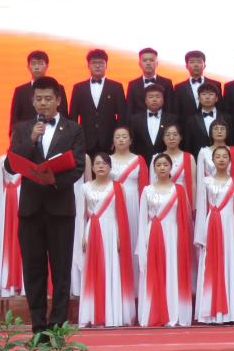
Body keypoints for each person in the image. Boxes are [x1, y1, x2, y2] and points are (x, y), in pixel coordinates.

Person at [6, 76, 86, 334]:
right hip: (31, 209)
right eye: (38, 99)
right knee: (33, 269)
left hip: (60, 207)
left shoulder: (73, 129)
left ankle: (58, 326)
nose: (43, 103)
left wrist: (54, 180)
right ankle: (38, 327)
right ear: (32, 101)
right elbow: (10, 164)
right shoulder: (22, 129)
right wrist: (30, 139)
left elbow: (78, 166)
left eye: (48, 98)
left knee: (61, 269)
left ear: (58, 100)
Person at [75, 152, 136, 327]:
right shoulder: (85, 188)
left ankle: (112, 314)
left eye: (104, 163)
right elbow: (81, 216)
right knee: (93, 271)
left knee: (111, 269)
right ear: (93, 168)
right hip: (92, 231)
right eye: (97, 163)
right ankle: (92, 314)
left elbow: (121, 215)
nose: (101, 166)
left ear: (110, 167)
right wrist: (82, 236)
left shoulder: (118, 187)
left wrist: (120, 236)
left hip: (111, 231)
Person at [194, 146, 234, 324]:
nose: (221, 159)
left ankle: (232, 312)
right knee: (212, 264)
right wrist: (201, 235)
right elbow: (201, 209)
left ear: (230, 161)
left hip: (231, 227)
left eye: (225, 156)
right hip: (212, 224)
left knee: (230, 263)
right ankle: (211, 312)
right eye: (217, 156)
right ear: (212, 160)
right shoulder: (205, 182)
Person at [136, 153, 193, 327]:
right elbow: (142, 219)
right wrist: (143, 242)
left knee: (172, 271)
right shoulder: (147, 190)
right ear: (154, 168)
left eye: (165, 165)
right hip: (153, 234)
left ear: (171, 168)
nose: (162, 168)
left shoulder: (179, 190)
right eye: (158, 165)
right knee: (154, 272)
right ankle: (152, 313)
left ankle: (173, 313)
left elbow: (185, 218)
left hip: (173, 235)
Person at [68, 49, 127, 156]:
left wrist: (117, 138)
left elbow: (122, 115)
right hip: (85, 141)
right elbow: (73, 116)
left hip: (109, 141)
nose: (97, 66)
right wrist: (76, 140)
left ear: (106, 65)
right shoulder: (78, 88)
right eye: (94, 63)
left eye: (101, 63)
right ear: (88, 66)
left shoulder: (116, 87)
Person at [109, 127, 148, 279]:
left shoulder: (138, 160)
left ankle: (135, 281)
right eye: (117, 136)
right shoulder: (106, 160)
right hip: (111, 204)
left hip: (133, 204)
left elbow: (144, 187)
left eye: (124, 136)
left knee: (133, 238)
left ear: (131, 140)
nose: (121, 139)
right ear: (113, 140)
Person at [9, 50, 68, 134]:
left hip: (54, 136)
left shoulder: (58, 88)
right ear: (28, 67)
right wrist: (14, 136)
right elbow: (15, 118)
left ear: (47, 66)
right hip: (27, 136)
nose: (37, 67)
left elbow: (64, 115)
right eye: (33, 63)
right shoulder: (20, 91)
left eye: (40, 63)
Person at [0, 153, 24, 298]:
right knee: (7, 239)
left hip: (25, 201)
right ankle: (5, 283)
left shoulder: (29, 158)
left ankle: (25, 284)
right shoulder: (3, 159)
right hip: (7, 203)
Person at [129, 84, 178, 165]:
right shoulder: (135, 120)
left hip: (166, 164)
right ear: (145, 100)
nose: (154, 99)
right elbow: (132, 143)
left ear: (163, 99)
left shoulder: (172, 119)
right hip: (141, 163)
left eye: (158, 97)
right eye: (151, 97)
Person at [153, 123, 197, 208]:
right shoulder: (156, 158)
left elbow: (193, 184)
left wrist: (193, 206)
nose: (171, 138)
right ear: (163, 138)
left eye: (175, 135)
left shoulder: (189, 158)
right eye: (167, 135)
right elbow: (152, 182)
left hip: (183, 199)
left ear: (180, 137)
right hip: (162, 201)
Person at [185, 82, 233, 157]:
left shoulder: (227, 118)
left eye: (211, 94)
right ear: (199, 99)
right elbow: (188, 144)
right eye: (204, 94)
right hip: (198, 157)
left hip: (223, 158)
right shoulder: (191, 120)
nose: (207, 97)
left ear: (216, 98)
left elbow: (230, 141)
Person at [173, 50, 222, 120]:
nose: (196, 65)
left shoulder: (216, 84)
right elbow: (176, 111)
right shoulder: (179, 87)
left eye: (199, 62)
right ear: (186, 66)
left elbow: (220, 108)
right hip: (186, 125)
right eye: (192, 62)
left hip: (211, 124)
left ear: (204, 66)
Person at [126, 47, 174, 117]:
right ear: (139, 64)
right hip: (138, 123)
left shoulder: (167, 83)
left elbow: (170, 108)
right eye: (145, 60)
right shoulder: (132, 85)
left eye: (152, 60)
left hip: (162, 122)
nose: (148, 63)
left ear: (157, 63)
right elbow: (129, 109)